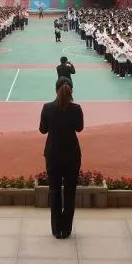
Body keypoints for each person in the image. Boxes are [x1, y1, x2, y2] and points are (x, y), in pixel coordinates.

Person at [39, 83, 84, 239]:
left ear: (55, 90)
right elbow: (79, 128)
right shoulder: (76, 108)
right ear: (72, 90)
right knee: (70, 192)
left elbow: (43, 130)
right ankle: (67, 229)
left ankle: (56, 229)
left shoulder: (47, 108)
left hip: (53, 153)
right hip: (72, 154)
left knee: (55, 190)